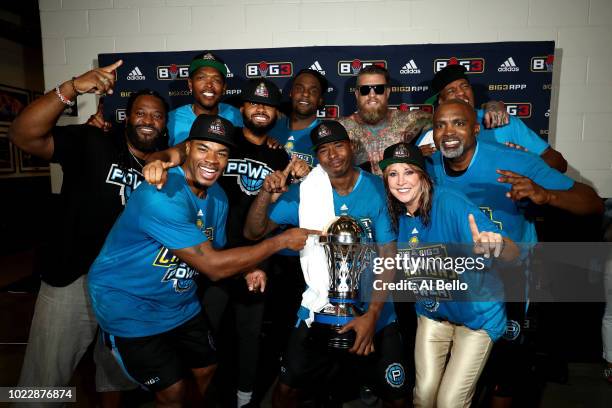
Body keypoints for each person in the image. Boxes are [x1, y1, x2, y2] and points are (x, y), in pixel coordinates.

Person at [88, 114, 314, 408]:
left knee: (206, 368)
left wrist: (246, 269)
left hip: (179, 305)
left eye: (221, 153)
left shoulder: (217, 197)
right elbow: (213, 266)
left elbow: (217, 252)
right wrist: (281, 241)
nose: (212, 160)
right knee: (173, 393)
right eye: (203, 149)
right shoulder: (161, 195)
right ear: (187, 149)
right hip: (130, 305)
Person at [8, 60, 169, 406]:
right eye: (141, 113)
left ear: (165, 125)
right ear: (127, 117)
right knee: (42, 382)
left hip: (125, 286)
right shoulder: (93, 141)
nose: (148, 121)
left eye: (157, 116)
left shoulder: (163, 166)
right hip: (73, 277)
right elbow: (22, 134)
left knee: (114, 378)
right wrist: (72, 88)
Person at [143, 78, 310, 407]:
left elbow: (271, 220)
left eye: (269, 106)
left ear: (276, 114)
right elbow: (183, 152)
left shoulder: (279, 157)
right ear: (242, 109)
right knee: (205, 334)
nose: (261, 109)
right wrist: (159, 158)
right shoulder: (223, 141)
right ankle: (194, 396)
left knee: (250, 335)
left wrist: (299, 174)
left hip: (251, 259)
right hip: (207, 254)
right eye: (254, 103)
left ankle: (244, 398)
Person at [428, 98, 604, 406]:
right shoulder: (429, 168)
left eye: (458, 123)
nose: (449, 132)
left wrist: (544, 195)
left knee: (504, 378)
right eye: (440, 125)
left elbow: (591, 201)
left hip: (510, 286)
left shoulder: (513, 161)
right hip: (456, 290)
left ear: (476, 128)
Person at [244, 120, 410, 408]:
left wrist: (372, 314)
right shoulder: (306, 191)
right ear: (317, 157)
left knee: (397, 395)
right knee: (286, 391)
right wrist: (264, 195)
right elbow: (253, 232)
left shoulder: (376, 187)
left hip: (376, 308)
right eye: (323, 150)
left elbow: (389, 257)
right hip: (320, 306)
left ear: (352, 147)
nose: (332, 155)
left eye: (338, 145)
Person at [379, 142, 519, 407]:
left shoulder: (451, 204)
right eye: (393, 174)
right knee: (424, 396)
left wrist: (496, 245)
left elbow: (513, 252)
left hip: (476, 319)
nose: (401, 181)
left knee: (449, 402)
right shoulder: (397, 215)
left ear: (423, 175)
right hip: (433, 316)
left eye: (408, 172)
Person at [421, 64, 567, 172]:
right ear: (441, 101)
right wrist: (416, 160)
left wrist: (529, 163)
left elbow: (559, 163)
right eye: (452, 90)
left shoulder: (502, 121)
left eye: (465, 86)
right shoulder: (433, 135)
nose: (461, 93)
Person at [337, 65, 432, 176]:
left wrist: (416, 153)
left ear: (387, 92)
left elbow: (447, 122)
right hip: (361, 191)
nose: (372, 95)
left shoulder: (413, 120)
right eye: (365, 90)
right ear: (357, 94)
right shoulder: (341, 127)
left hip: (401, 190)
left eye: (379, 89)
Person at [167, 51, 243, 146]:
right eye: (201, 78)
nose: (209, 85)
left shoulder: (236, 115)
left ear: (224, 88)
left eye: (216, 80)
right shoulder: (171, 119)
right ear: (190, 84)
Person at [269, 68, 327, 166]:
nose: (305, 94)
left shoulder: (327, 136)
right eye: (299, 88)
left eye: (313, 91)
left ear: (320, 100)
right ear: (291, 93)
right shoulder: (270, 126)